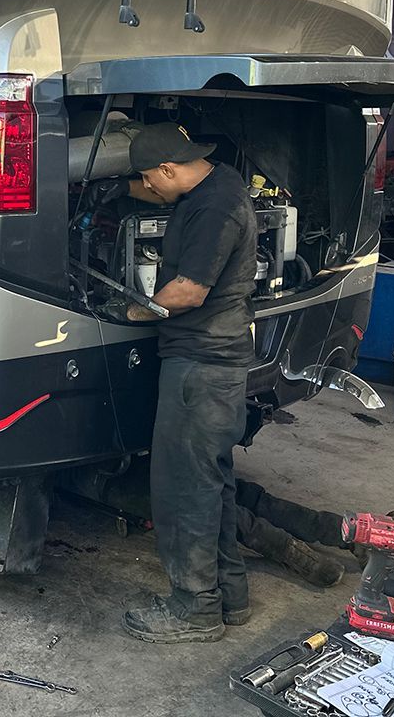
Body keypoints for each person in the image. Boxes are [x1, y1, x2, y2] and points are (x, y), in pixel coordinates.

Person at [112, 122, 260, 643]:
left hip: (201, 363)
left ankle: (193, 608)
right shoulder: (216, 185)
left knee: (182, 489)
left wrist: (131, 310)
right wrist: (108, 188)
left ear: (170, 168)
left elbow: (188, 292)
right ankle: (230, 596)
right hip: (215, 360)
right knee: (211, 485)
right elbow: (146, 188)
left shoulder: (214, 208)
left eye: (152, 179)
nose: (150, 188)